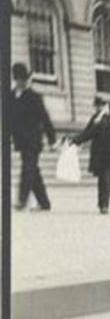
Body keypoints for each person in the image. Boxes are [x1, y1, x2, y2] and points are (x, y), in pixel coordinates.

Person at [70, 100, 110, 214]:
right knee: (104, 182)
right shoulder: (102, 124)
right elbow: (88, 134)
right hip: (105, 159)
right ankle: (103, 205)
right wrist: (75, 141)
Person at [11, 62, 56, 211]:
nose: (20, 82)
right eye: (18, 79)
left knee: (28, 168)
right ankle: (44, 203)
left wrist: (52, 140)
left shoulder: (34, 97)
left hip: (33, 140)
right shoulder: (11, 96)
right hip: (21, 141)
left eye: (23, 79)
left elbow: (45, 119)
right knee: (33, 171)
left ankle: (22, 200)